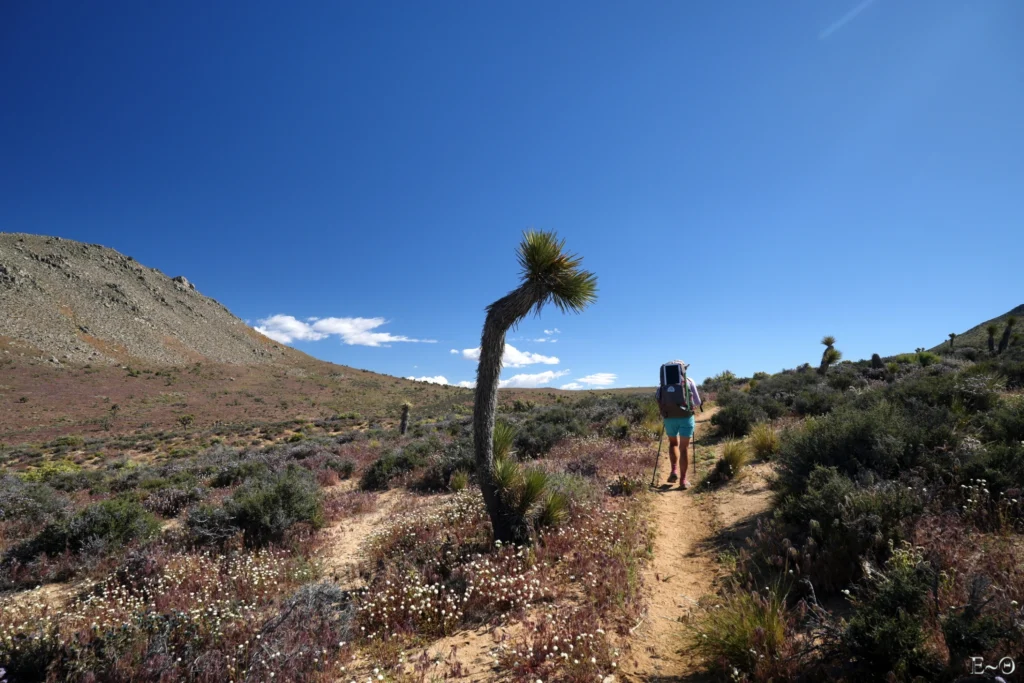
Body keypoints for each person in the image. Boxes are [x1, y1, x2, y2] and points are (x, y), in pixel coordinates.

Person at [655, 360, 702, 488]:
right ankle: (683, 480)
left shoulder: (662, 384)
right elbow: (697, 402)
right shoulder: (689, 381)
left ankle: (673, 470)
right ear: (682, 369)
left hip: (669, 418)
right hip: (686, 417)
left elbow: (658, 399)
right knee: (684, 448)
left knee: (673, 443)